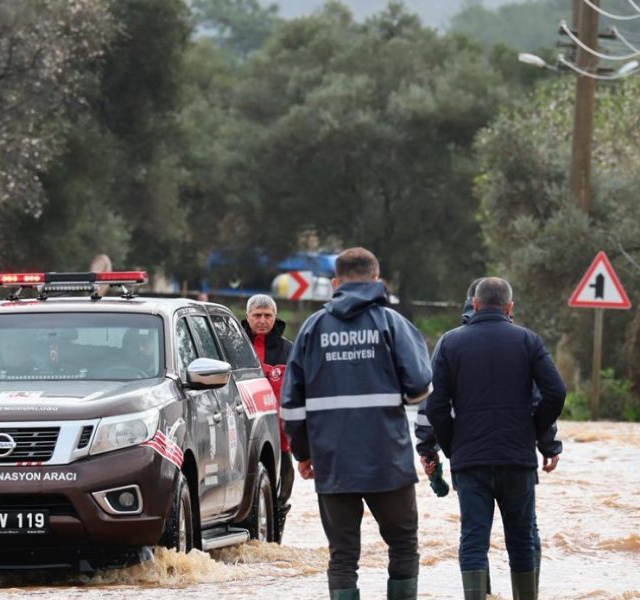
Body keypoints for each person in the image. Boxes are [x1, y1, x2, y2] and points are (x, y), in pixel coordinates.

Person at [281, 247, 432, 600]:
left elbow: (290, 405)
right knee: (403, 545)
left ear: (336, 283)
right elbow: (420, 387)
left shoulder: (313, 329)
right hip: (388, 460)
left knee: (343, 556)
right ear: (376, 280)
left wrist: (303, 453)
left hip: (333, 462)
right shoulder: (392, 324)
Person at [422, 277, 566, 600]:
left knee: (473, 541)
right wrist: (537, 432)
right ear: (510, 307)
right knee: (522, 541)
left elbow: (435, 406)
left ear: (474, 305)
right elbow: (555, 392)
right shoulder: (528, 341)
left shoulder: (449, 343)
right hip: (517, 459)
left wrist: (452, 447)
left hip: (470, 461)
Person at [240, 293, 296, 541]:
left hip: (280, 435)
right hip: (242, 433)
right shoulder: (234, 348)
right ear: (248, 317)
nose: (262, 320)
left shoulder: (289, 350)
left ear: (275, 317)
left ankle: (275, 535)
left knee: (282, 485)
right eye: (257, 315)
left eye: (268, 315)